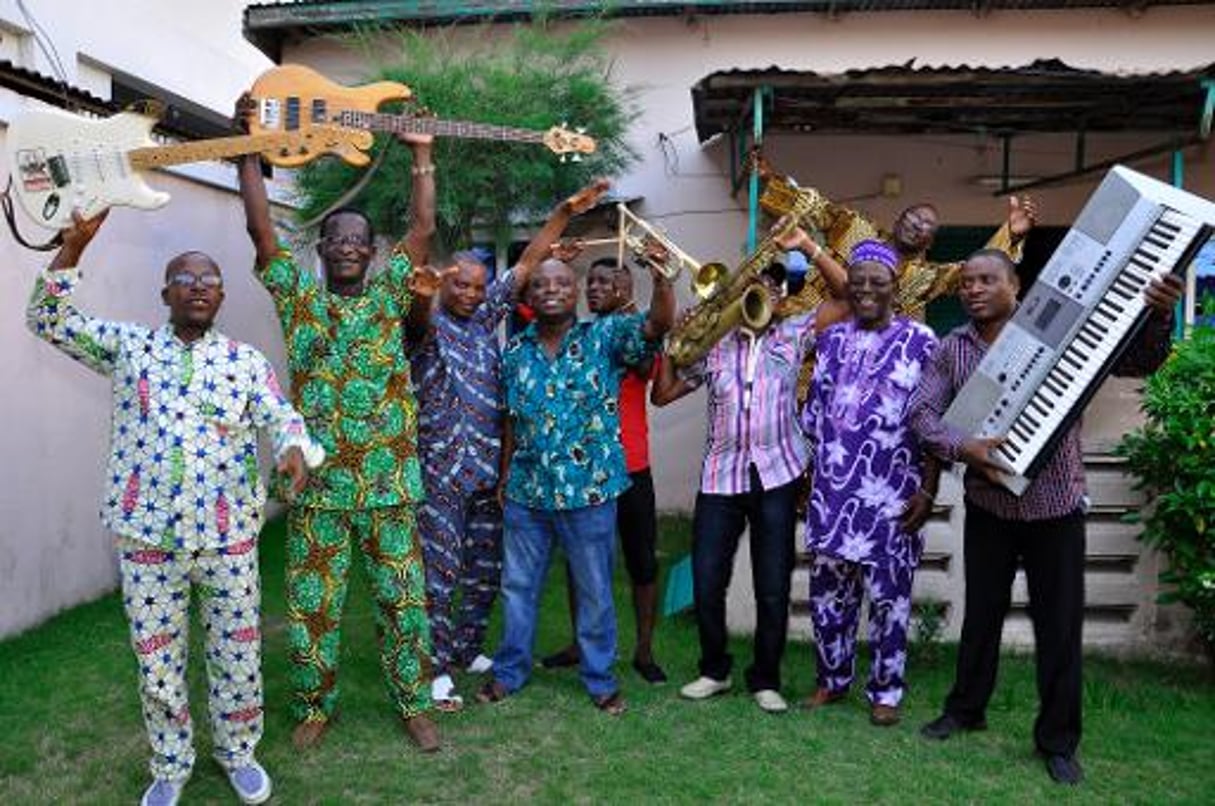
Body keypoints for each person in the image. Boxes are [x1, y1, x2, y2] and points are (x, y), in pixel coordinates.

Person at [26, 211, 323, 806]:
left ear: (221, 294)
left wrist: (294, 446)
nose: (198, 286)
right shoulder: (129, 347)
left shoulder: (243, 362)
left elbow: (280, 414)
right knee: (158, 663)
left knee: (236, 654)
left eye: (209, 278)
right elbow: (47, 319)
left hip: (229, 540)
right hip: (148, 541)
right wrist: (73, 250)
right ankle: (170, 763)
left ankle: (239, 753)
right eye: (184, 279)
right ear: (166, 293)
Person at [909, 248, 1182, 785]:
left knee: (1059, 629)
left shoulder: (1059, 337)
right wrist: (966, 448)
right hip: (988, 507)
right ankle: (966, 710)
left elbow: (1139, 361)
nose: (974, 289)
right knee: (981, 617)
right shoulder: (951, 350)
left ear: (1016, 286)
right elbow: (920, 413)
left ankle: (1057, 741)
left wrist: (1159, 312)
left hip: (1055, 508)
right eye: (966, 282)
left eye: (988, 279)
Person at [237, 99, 446, 752]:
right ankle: (314, 706)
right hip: (320, 486)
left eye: (360, 241)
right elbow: (261, 233)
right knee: (312, 608)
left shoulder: (390, 295)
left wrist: (419, 155)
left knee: (402, 602)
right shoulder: (297, 299)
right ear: (323, 250)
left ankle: (413, 704)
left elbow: (422, 228)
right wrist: (249, 148)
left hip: (386, 484)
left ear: (371, 251)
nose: (350, 248)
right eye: (338, 240)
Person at [409, 179, 611, 711]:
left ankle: (471, 646)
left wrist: (562, 212)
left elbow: (527, 268)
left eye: (479, 287)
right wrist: (424, 295)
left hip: (488, 477)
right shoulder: (425, 324)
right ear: (446, 284)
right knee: (439, 574)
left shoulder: (484, 321)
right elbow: (416, 317)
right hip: (439, 474)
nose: (471, 294)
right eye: (462, 286)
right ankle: (436, 668)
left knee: (484, 572)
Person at [477, 247, 675, 715]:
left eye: (562, 283)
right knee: (519, 589)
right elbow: (509, 421)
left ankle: (600, 679)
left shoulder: (605, 336)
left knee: (594, 590)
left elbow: (657, 325)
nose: (552, 290)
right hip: (528, 492)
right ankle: (509, 673)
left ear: (575, 294)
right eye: (542, 284)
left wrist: (663, 280)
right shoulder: (513, 352)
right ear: (529, 294)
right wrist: (505, 475)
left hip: (589, 492)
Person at [652, 261, 838, 714]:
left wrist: (811, 249)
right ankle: (714, 670)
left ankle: (765, 679)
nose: (765, 293)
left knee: (772, 585)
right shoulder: (714, 343)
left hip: (777, 474)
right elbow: (663, 394)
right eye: (757, 286)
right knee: (707, 578)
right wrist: (672, 345)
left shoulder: (795, 332)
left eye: (773, 287)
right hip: (721, 476)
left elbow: (847, 299)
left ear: (783, 296)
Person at [799, 239, 939, 727]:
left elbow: (933, 419)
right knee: (828, 595)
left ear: (895, 288)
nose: (864, 291)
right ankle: (831, 680)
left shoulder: (922, 340)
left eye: (876, 283)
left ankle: (887, 690)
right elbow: (814, 415)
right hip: (833, 492)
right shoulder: (831, 340)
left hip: (892, 496)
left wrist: (928, 487)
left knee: (888, 598)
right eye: (856, 283)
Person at [541, 253, 668, 684]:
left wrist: (638, 305)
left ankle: (644, 651)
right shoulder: (576, 334)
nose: (593, 288)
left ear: (624, 288)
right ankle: (580, 643)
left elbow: (648, 367)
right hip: (586, 468)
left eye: (603, 282)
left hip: (632, 465)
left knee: (642, 562)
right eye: (588, 282)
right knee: (582, 561)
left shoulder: (635, 333)